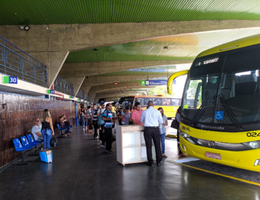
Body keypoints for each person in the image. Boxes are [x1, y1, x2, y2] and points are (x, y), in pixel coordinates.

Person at [140, 101, 163, 167]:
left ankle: (150, 162)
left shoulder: (144, 112)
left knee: (148, 146)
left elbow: (141, 121)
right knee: (157, 145)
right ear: (153, 105)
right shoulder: (157, 112)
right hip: (156, 129)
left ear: (147, 105)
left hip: (147, 130)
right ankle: (159, 161)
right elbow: (161, 121)